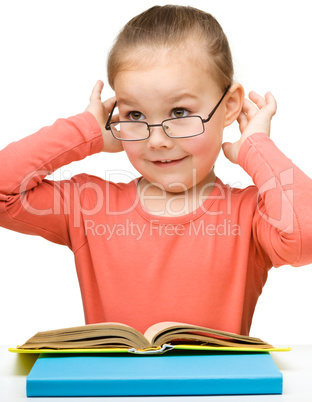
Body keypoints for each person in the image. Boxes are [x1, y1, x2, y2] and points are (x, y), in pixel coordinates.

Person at [0, 5, 311, 336]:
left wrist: (256, 147)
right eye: (135, 115)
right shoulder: (88, 205)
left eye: (179, 111)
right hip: (115, 389)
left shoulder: (251, 215)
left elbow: (305, 235)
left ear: (229, 106)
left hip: (218, 390)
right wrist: (86, 131)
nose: (157, 140)